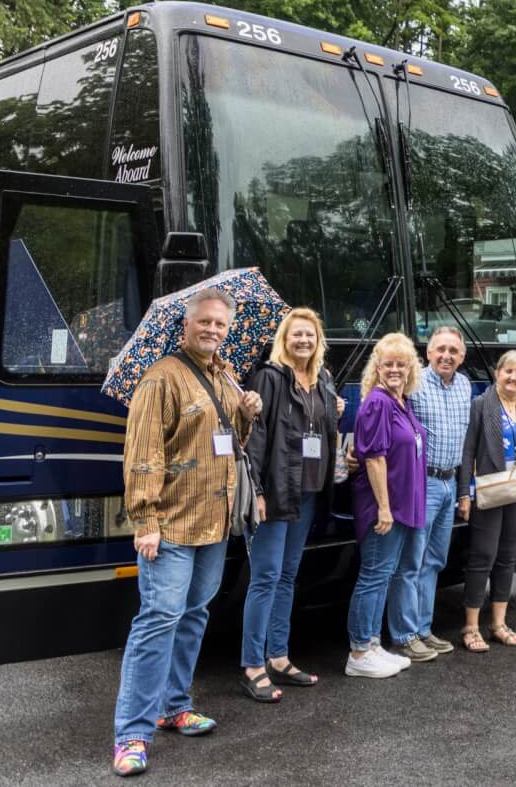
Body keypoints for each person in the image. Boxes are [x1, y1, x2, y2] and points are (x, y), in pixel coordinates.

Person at [111, 288, 263, 777]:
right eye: (205, 323)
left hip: (213, 524)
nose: (213, 330)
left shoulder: (225, 377)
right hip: (171, 526)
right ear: (186, 326)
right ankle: (132, 735)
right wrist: (146, 522)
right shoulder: (160, 380)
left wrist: (245, 412)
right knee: (158, 620)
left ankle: (175, 706)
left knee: (194, 615)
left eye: (220, 324)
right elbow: (143, 457)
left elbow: (230, 445)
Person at [239, 307, 344, 702]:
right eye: (296, 334)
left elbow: (322, 432)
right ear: (284, 339)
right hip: (276, 492)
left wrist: (336, 412)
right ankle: (252, 665)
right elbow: (256, 437)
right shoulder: (269, 378)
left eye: (310, 335)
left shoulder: (324, 381)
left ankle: (278, 657)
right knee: (265, 577)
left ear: (319, 342)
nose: (304, 340)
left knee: (287, 576)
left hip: (309, 491)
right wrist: (259, 492)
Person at [344, 333, 428, 678]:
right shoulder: (378, 402)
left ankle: (374, 643)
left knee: (384, 575)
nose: (395, 369)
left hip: (400, 506)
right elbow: (374, 459)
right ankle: (359, 653)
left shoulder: (402, 402)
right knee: (373, 576)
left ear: (411, 368)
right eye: (388, 363)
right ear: (376, 367)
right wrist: (384, 508)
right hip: (384, 508)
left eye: (401, 363)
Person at [393, 327, 471, 663]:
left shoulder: (465, 385)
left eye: (453, 351)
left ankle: (423, 629)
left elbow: (468, 443)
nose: (447, 356)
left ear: (462, 357)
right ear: (428, 352)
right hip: (421, 482)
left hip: (449, 483)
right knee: (410, 561)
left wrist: (464, 490)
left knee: (434, 561)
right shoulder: (413, 382)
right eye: (441, 349)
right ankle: (404, 635)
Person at [457, 350, 516, 651]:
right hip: (489, 490)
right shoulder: (481, 405)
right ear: (498, 373)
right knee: (482, 558)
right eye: (509, 371)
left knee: (507, 558)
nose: (514, 377)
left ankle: (498, 624)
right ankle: (470, 627)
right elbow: (468, 452)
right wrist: (464, 493)